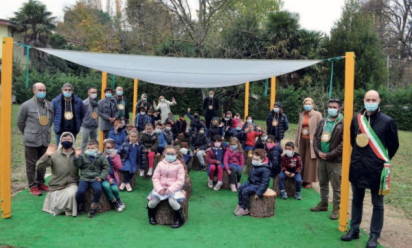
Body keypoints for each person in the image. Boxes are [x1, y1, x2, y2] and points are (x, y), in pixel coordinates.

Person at [341, 90, 399, 248]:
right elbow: (353, 141)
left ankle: (374, 235)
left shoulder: (388, 121)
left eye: (374, 99)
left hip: (376, 169)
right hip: (358, 166)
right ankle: (354, 229)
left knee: (377, 204)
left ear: (379, 100)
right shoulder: (356, 119)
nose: (371, 102)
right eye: (368, 99)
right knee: (357, 200)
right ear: (364, 100)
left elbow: (393, 146)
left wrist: (379, 160)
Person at [17, 82, 54, 196]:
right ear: (34, 91)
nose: (42, 92)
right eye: (40, 90)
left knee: (42, 163)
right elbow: (20, 122)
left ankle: (40, 182)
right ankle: (32, 186)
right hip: (31, 140)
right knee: (31, 164)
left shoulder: (49, 105)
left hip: (45, 139)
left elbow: (50, 121)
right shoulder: (26, 105)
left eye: (44, 90)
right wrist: (28, 133)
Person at [311, 99, 343, 220]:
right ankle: (323, 204)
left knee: (336, 186)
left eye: (334, 107)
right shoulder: (323, 121)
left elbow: (343, 143)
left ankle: (336, 209)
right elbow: (315, 138)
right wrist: (318, 152)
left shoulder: (342, 123)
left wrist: (330, 154)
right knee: (323, 183)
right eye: (330, 106)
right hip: (322, 158)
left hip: (335, 161)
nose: (331, 109)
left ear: (339, 108)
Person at [37, 132, 79, 216]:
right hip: (56, 185)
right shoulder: (54, 155)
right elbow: (39, 166)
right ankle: (60, 208)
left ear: (73, 141)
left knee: (72, 194)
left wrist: (80, 158)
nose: (66, 141)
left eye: (69, 139)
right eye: (64, 139)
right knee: (58, 198)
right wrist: (46, 155)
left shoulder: (76, 155)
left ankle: (65, 209)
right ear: (60, 141)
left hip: (71, 184)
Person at [147, 146, 186, 228]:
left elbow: (180, 180)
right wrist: (159, 188)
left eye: (172, 154)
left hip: (173, 189)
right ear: (164, 154)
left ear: (176, 154)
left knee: (172, 202)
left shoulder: (179, 166)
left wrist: (170, 189)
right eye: (168, 154)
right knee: (152, 202)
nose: (170, 156)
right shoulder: (160, 164)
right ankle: (151, 216)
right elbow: (155, 178)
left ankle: (180, 219)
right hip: (160, 188)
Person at [74, 140, 109, 218]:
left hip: (95, 178)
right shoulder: (83, 155)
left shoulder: (101, 156)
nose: (91, 149)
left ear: (97, 147)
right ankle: (79, 204)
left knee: (98, 189)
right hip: (84, 178)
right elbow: (78, 165)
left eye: (93, 148)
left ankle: (93, 206)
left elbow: (106, 167)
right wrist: (77, 157)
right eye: (89, 147)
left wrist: (101, 177)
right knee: (80, 191)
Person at [295, 97, 322, 188]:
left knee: (310, 160)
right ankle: (301, 178)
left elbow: (321, 127)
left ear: (313, 105)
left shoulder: (317, 114)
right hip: (302, 139)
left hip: (312, 140)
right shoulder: (301, 114)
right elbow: (299, 127)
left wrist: (319, 140)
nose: (307, 105)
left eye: (309, 103)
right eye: (306, 103)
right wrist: (296, 140)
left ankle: (309, 181)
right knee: (301, 158)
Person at [234, 149, 271, 216]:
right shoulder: (255, 165)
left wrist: (259, 193)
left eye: (256, 159)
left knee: (245, 191)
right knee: (241, 188)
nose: (254, 161)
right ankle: (240, 204)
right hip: (251, 182)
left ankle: (245, 208)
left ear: (262, 159)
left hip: (258, 185)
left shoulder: (265, 169)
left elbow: (265, 183)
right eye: (253, 159)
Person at [102, 139, 126, 212]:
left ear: (113, 148)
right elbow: (102, 169)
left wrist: (113, 158)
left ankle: (119, 200)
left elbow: (119, 167)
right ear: (104, 148)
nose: (109, 149)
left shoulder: (116, 155)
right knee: (106, 186)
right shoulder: (102, 156)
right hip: (104, 178)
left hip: (113, 177)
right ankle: (115, 202)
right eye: (107, 148)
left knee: (115, 189)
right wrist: (108, 179)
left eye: (110, 148)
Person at [81, 88, 99, 152]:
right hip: (86, 126)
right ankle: (82, 156)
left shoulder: (97, 103)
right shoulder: (84, 103)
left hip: (94, 126)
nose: (94, 94)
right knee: (84, 142)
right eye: (92, 92)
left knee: (94, 142)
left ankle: (94, 155)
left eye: (95, 92)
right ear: (88, 93)